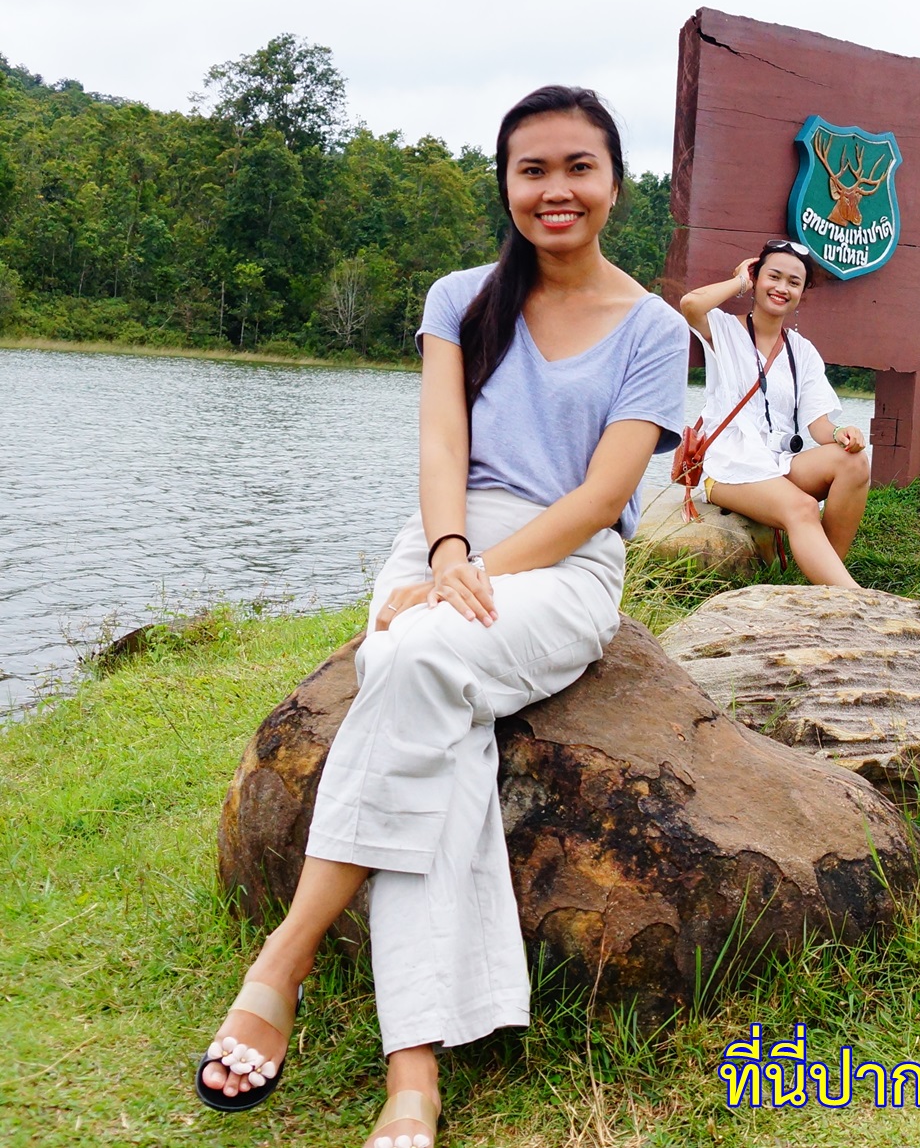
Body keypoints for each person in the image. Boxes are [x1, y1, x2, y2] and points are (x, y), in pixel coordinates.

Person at [192, 86, 689, 1148]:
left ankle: (283, 955)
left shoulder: (653, 327)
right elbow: (439, 451)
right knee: (437, 711)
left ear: (613, 181)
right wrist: (451, 554)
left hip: (566, 565)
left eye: (577, 167)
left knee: (415, 650)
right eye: (531, 170)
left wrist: (482, 574)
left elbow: (603, 498)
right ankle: (412, 1074)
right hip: (445, 534)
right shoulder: (460, 296)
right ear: (506, 183)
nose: (555, 190)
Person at [678, 240, 870, 587]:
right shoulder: (724, 330)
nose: (782, 288)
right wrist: (740, 280)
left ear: (802, 293)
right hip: (730, 466)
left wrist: (843, 434)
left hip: (779, 462)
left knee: (854, 462)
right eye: (774, 277)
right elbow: (690, 304)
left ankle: (820, 579)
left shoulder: (802, 351)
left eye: (794, 282)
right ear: (757, 278)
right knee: (803, 508)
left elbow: (819, 425)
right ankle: (850, 596)